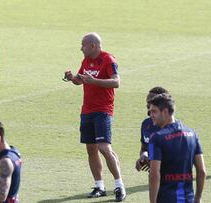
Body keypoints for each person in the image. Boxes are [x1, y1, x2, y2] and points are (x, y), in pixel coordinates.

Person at [64, 32, 126, 201]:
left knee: (104, 148)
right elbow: (81, 80)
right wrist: (73, 78)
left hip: (103, 111)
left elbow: (116, 82)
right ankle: (99, 186)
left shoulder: (108, 59)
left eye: (83, 45)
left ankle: (119, 185)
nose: (80, 48)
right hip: (87, 111)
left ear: (93, 46)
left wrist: (94, 81)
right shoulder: (86, 61)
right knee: (91, 149)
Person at [148, 94, 206, 203]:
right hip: (188, 199)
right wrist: (198, 198)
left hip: (166, 199)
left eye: (154, 111)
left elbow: (154, 174)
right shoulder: (193, 134)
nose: (151, 115)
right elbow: (202, 171)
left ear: (165, 112)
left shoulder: (156, 138)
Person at [135, 87, 169, 172]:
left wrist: (155, 164)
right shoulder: (146, 124)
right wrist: (143, 156)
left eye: (151, 103)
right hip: (155, 177)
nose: (148, 106)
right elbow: (144, 147)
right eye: (147, 103)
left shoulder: (173, 128)